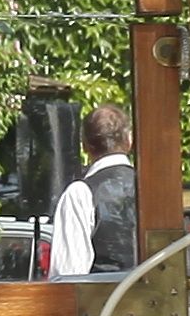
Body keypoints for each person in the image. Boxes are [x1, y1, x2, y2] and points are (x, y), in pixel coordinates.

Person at [46, 103, 138, 286]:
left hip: (102, 309)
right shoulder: (153, 189)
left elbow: (67, 277)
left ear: (85, 146)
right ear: (129, 141)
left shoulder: (80, 194)